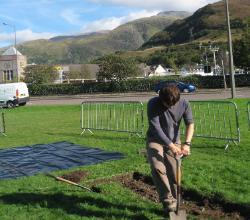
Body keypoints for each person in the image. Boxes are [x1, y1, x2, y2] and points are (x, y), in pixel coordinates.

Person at [146, 83, 194, 214]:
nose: (171, 106)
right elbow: (156, 128)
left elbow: (190, 123)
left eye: (173, 104)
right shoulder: (153, 103)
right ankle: (169, 202)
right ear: (160, 98)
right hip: (155, 140)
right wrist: (171, 146)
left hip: (174, 140)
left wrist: (187, 144)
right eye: (167, 104)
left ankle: (177, 202)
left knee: (174, 172)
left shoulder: (184, 103)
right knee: (158, 168)